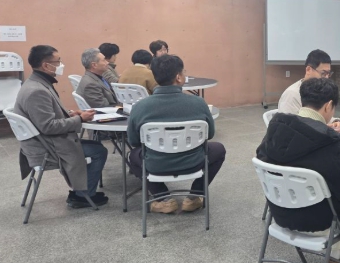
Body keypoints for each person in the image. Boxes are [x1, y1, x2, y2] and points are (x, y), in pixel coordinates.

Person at [257, 78, 340, 263]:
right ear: (329, 106)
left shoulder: (275, 128)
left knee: (335, 195)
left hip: (280, 214)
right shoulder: (330, 142)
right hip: (319, 220)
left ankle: (332, 258)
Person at [126, 54, 226, 214]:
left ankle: (163, 198)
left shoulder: (140, 107)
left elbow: (133, 140)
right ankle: (194, 197)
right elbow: (210, 134)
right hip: (194, 162)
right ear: (178, 77)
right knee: (218, 149)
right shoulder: (198, 103)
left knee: (132, 155)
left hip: (155, 164)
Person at [13, 45, 108, 209]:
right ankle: (83, 196)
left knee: (95, 146)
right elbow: (48, 126)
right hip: (46, 149)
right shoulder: (37, 91)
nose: (61, 65)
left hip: (44, 142)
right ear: (46, 65)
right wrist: (79, 119)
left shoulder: (36, 83)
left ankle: (82, 191)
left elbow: (46, 115)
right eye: (58, 61)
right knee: (99, 151)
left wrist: (70, 114)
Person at [278, 49, 340, 132]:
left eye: (328, 74)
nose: (326, 78)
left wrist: (335, 122)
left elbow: (321, 115)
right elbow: (288, 127)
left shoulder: (320, 90)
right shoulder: (292, 94)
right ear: (308, 70)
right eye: (323, 73)